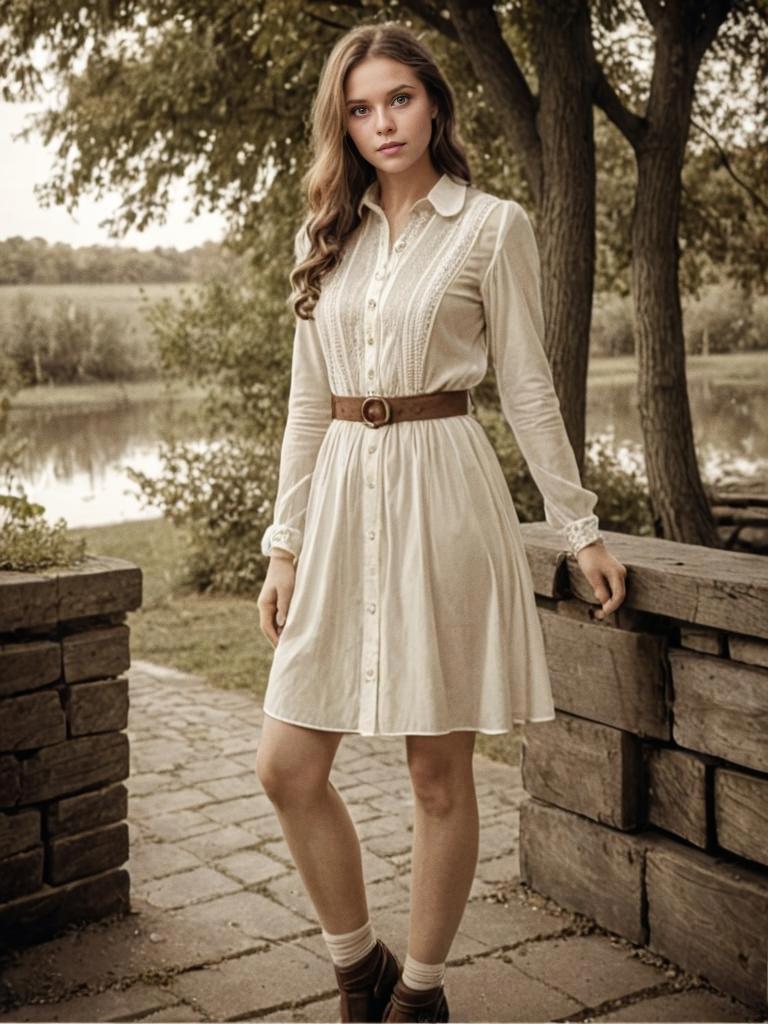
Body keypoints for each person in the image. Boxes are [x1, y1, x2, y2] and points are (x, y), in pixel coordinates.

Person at [255, 20, 628, 1024]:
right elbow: (305, 405)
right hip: (337, 496)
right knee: (285, 764)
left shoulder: (491, 226)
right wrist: (282, 544)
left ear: (436, 103)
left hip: (444, 494)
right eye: (362, 107)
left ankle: (418, 992)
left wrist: (578, 523)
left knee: (435, 767)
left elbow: (530, 388)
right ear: (344, 121)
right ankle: (356, 964)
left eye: (401, 99)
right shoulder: (323, 236)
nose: (383, 122)